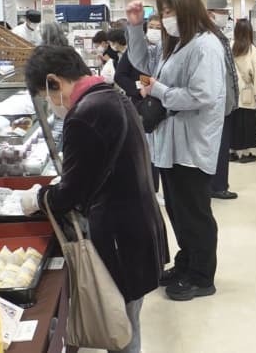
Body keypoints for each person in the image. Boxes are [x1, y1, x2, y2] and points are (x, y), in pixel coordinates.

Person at [23, 45, 168, 353]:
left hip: (119, 237)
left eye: (45, 94)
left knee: (120, 327)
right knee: (128, 320)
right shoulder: (112, 96)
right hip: (139, 226)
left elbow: (71, 192)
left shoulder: (85, 114)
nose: (50, 103)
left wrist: (38, 197)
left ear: (54, 81)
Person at [127, 0, 226, 301]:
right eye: (161, 12)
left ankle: (202, 276)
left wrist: (157, 91)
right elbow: (143, 67)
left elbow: (203, 95)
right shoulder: (179, 43)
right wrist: (134, 27)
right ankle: (186, 263)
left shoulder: (205, 46)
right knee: (179, 212)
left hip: (192, 145)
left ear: (186, 9)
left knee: (195, 213)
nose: (165, 18)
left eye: (169, 12)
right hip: (170, 145)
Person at [205, 0, 241, 200]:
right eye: (223, 12)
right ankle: (217, 186)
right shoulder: (210, 38)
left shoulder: (218, 35)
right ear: (211, 14)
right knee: (219, 145)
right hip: (218, 103)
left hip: (224, 101)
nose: (226, 16)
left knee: (220, 145)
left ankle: (217, 184)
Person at [230, 19, 256, 164]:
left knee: (233, 122)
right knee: (247, 123)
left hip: (232, 91)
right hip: (247, 92)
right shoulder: (252, 50)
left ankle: (232, 152)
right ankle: (246, 153)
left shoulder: (229, 46)